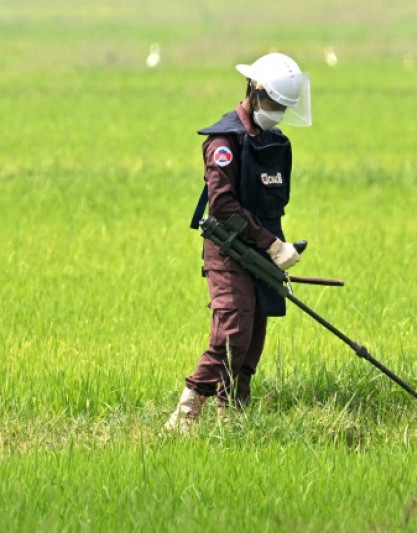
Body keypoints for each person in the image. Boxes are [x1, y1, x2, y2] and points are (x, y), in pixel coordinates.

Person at [165, 52, 312, 430]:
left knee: (255, 335)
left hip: (261, 252)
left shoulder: (274, 144)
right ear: (253, 90)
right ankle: (186, 413)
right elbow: (224, 204)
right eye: (273, 102)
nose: (278, 111)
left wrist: (276, 246)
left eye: (284, 106)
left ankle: (233, 415)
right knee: (232, 332)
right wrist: (272, 245)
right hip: (230, 250)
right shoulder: (224, 141)